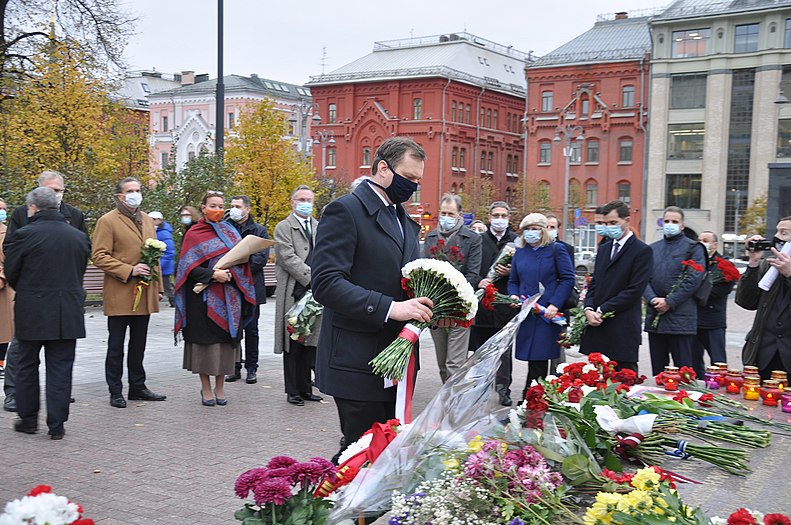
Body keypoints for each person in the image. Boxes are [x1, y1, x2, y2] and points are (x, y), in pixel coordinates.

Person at [312, 137, 430, 461]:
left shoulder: (404, 220)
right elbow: (325, 283)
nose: (414, 186)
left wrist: (431, 304)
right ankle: (325, 510)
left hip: (396, 364)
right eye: (410, 177)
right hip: (356, 360)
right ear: (382, 168)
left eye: (419, 180)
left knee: (383, 456)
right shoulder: (345, 211)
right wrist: (392, 308)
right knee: (358, 456)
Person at [4, 187, 90, 439]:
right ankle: (57, 425)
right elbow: (79, 270)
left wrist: (30, 291)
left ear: (33, 208)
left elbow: (12, 271)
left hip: (32, 310)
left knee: (26, 366)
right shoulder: (77, 236)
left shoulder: (24, 234)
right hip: (68, 311)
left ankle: (28, 420)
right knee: (61, 368)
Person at [174, 191, 257, 406]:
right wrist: (213, 275)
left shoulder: (230, 232)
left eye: (221, 206)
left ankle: (220, 388)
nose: (218, 210)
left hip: (230, 298)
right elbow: (187, 268)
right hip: (202, 301)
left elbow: (242, 262)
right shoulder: (194, 233)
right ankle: (205, 388)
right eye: (213, 205)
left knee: (224, 345)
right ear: (202, 207)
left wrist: (232, 273)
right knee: (205, 346)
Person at [92, 177, 166, 408]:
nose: (135, 194)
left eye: (138, 190)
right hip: (120, 291)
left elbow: (154, 257)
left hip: (144, 292)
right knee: (116, 345)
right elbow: (99, 255)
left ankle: (137, 386)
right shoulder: (107, 221)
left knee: (139, 344)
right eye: (130, 191)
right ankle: (115, 390)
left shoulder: (146, 219)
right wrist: (129, 269)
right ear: (120, 196)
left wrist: (159, 288)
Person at [580, 200, 653, 372]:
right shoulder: (604, 249)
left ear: (627, 220)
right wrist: (588, 308)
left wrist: (602, 309)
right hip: (598, 327)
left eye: (613, 223)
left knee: (622, 381)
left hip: (622, 328)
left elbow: (634, 290)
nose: (608, 227)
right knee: (594, 382)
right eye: (605, 224)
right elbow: (595, 283)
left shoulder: (641, 250)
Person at [508, 213, 575, 392]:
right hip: (527, 313)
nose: (530, 233)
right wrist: (513, 295)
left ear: (543, 231)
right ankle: (534, 396)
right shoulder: (520, 253)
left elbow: (568, 278)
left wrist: (554, 304)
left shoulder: (555, 250)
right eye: (527, 229)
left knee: (540, 358)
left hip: (546, 314)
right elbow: (513, 281)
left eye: (535, 229)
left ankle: (532, 397)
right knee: (531, 358)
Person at [422, 193, 482, 383]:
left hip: (459, 309)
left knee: (454, 364)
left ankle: (454, 408)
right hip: (437, 309)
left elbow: (473, 274)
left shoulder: (471, 239)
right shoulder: (431, 237)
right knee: (442, 363)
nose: (446, 217)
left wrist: (453, 295)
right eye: (443, 213)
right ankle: (448, 401)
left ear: (459, 215)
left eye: (451, 213)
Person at [274, 185, 323, 406]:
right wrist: (313, 277)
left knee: (310, 343)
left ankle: (306, 388)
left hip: (316, 294)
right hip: (295, 290)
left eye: (309, 200)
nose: (306, 203)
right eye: (301, 199)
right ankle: (292, 390)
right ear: (293, 202)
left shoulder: (319, 226)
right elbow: (287, 257)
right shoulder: (284, 227)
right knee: (293, 343)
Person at [643, 206, 707, 376]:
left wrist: (670, 301)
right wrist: (652, 299)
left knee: (684, 373)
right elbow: (643, 278)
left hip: (680, 318)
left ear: (682, 225)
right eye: (666, 221)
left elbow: (693, 279)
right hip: (655, 316)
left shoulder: (694, 248)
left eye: (674, 221)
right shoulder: (653, 248)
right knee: (659, 372)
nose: (670, 224)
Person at [470, 201, 518, 406]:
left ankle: (503, 389)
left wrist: (511, 271)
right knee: (481, 351)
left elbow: (525, 271)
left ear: (509, 218)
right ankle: (479, 389)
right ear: (489, 217)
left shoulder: (516, 241)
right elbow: (471, 266)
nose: (500, 219)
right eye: (496, 215)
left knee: (505, 354)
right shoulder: (478, 240)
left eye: (504, 215)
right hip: (483, 307)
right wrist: (479, 280)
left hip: (506, 305)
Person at [735, 217, 791, 379]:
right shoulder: (769, 265)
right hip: (763, 354)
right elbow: (747, 301)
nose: (777, 237)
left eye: (784, 233)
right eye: (777, 231)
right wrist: (753, 262)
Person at [224, 195, 271, 385]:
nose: (234, 209)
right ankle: (233, 367)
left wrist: (235, 267)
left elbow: (260, 259)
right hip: (230, 288)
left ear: (247, 209)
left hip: (252, 288)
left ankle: (251, 367)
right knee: (232, 330)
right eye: (232, 205)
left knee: (251, 329)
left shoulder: (258, 231)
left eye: (238, 206)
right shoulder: (225, 228)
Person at [694, 231, 737, 376]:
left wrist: (696, 292)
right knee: (694, 361)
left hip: (713, 321)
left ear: (715, 244)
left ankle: (719, 387)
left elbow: (722, 290)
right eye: (699, 240)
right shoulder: (694, 262)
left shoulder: (723, 265)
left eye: (705, 240)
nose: (701, 243)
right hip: (694, 319)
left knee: (718, 362)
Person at [545, 213, 574, 372]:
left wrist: (556, 302)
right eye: (546, 227)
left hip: (559, 306)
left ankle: (557, 380)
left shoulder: (565, 249)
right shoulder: (536, 248)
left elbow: (568, 278)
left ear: (558, 229)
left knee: (558, 348)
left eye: (552, 227)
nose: (549, 230)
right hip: (541, 306)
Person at [149, 211, 176, 307]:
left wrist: (160, 264)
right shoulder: (156, 231)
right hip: (159, 264)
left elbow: (169, 252)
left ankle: (174, 301)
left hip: (164, 265)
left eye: (153, 219)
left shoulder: (164, 233)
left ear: (159, 220)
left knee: (167, 285)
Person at [0, 197, 11, 380]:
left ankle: (1, 362)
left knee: (3, 331)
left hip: (3, 288)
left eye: (2, 208)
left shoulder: (8, 232)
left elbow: (12, 259)